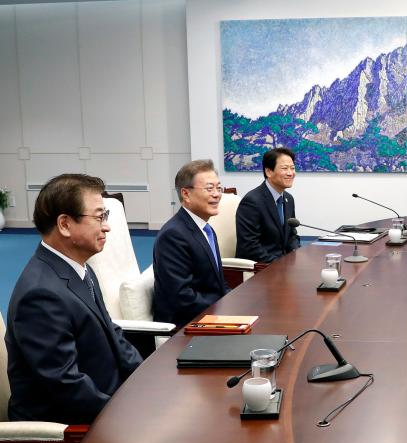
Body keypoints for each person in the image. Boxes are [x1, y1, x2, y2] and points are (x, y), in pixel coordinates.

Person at [5, 174, 143, 423]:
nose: (107, 226)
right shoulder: (40, 295)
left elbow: (112, 333)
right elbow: (66, 385)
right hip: (66, 430)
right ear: (65, 225)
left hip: (106, 401)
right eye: (99, 217)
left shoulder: (80, 268)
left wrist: (147, 378)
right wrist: (128, 415)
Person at [153, 159, 228, 328]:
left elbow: (217, 283)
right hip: (186, 326)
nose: (217, 194)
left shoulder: (206, 228)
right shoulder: (173, 235)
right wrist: (224, 310)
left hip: (208, 314)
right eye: (209, 188)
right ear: (186, 194)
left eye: (218, 188)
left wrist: (233, 301)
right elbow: (181, 298)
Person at [236, 147, 301, 262]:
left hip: (283, 265)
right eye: (285, 168)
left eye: (292, 168)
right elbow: (250, 247)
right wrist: (280, 265)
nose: (290, 173)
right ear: (269, 172)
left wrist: (296, 256)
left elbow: (292, 236)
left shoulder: (288, 199)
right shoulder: (252, 201)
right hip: (261, 267)